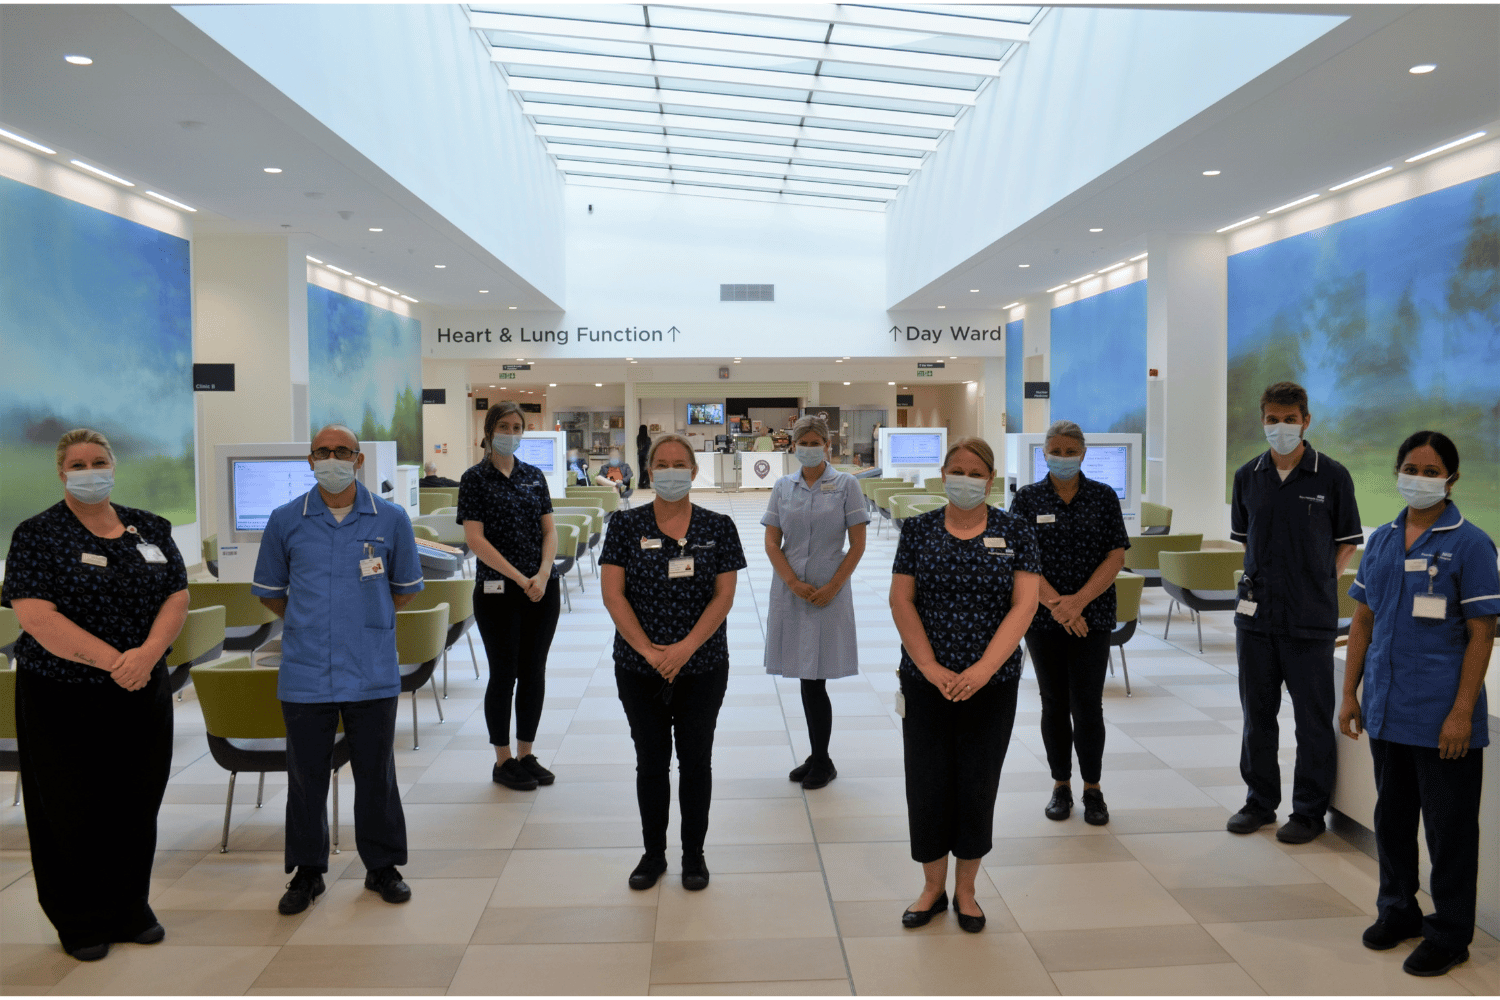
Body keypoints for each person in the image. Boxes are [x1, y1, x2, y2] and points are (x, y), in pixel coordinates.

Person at [2, 429, 188, 961]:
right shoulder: (37, 534)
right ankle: (79, 918)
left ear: (114, 466)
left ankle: (130, 905)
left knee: (137, 797)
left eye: (99, 461)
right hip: (63, 694)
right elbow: (36, 616)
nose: (90, 471)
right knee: (69, 805)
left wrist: (146, 655)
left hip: (141, 687)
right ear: (62, 473)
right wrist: (115, 662)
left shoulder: (148, 527)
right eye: (78, 464)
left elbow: (177, 594)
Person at [1339, 431, 1497, 978]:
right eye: (1411, 467)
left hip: (1441, 716)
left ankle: (1450, 932)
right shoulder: (1382, 540)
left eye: (1432, 471)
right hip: (1386, 707)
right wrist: (1349, 692)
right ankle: (1398, 910)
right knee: (1392, 819)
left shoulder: (1472, 544)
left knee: (1449, 830)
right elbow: (1363, 619)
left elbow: (1482, 633)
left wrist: (1461, 712)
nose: (1420, 478)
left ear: (1451, 479)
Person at [252, 424, 424, 915]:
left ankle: (382, 866)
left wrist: (363, 619)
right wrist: (312, 622)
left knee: (376, 772)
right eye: (323, 452)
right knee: (306, 776)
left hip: (370, 667)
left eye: (342, 452)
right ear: (310, 460)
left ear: (359, 460)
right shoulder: (287, 520)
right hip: (306, 670)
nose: (332, 459)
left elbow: (406, 587)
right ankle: (308, 872)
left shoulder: (390, 519)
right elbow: (270, 592)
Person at [890, 437, 1040, 932]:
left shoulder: (1016, 530)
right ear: (943, 474)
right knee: (927, 782)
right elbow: (902, 600)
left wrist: (982, 670)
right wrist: (931, 667)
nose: (965, 479)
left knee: (977, 783)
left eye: (975, 473)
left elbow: (1025, 604)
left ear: (990, 480)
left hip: (991, 683)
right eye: (956, 470)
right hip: (925, 680)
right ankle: (932, 888)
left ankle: (967, 891)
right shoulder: (917, 530)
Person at [600, 434, 746, 892]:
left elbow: (724, 596)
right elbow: (613, 594)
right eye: (660, 464)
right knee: (651, 762)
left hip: (702, 666)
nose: (670, 471)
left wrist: (685, 648)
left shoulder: (718, 526)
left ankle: (693, 855)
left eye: (679, 463)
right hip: (639, 667)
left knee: (696, 761)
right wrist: (647, 650)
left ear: (694, 471)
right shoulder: (625, 526)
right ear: (648, 471)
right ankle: (653, 853)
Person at [1227, 381, 1362, 843]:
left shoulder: (1332, 476)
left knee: (1312, 719)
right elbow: (1245, 539)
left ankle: (1308, 811)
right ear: (1262, 421)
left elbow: (1347, 540)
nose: (1280, 427)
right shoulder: (1248, 475)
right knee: (1257, 717)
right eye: (1272, 419)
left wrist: (1323, 576)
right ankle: (1260, 802)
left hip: (1311, 619)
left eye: (1289, 419)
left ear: (1306, 420)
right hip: (1256, 620)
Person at [1010, 421, 1129, 825]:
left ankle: (1093, 789)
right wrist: (1059, 606)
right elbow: (1020, 558)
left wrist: (1077, 603)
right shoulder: (1027, 499)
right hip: (1043, 619)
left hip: (1091, 617)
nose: (1062, 457)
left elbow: (1115, 556)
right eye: (1055, 450)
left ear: (1083, 453)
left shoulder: (1102, 496)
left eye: (1070, 450)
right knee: (1054, 704)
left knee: (1088, 705)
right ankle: (1060, 785)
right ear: (1043, 452)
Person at [458, 401, 561, 790]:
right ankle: (502, 760)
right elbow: (475, 539)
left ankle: (525, 753)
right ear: (489, 430)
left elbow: (549, 530)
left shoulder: (533, 476)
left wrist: (544, 572)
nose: (512, 433)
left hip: (541, 590)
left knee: (534, 672)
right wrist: (521, 577)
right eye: (504, 425)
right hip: (498, 591)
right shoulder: (474, 479)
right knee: (504, 674)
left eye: (518, 427)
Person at [762, 416, 869, 789]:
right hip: (791, 591)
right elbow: (772, 542)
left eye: (814, 441)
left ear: (826, 445)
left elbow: (857, 544)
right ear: (792, 446)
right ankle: (817, 755)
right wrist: (791, 580)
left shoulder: (846, 485)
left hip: (829, 591)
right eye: (801, 442)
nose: (807, 447)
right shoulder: (782, 487)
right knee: (805, 673)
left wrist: (835, 585)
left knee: (815, 677)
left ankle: (822, 760)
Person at [636, 424, 652, 489]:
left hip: (640, 456)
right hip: (646, 456)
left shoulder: (638, 438)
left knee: (641, 471)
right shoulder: (648, 439)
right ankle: (646, 484)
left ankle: (641, 484)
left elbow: (638, 447)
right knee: (647, 470)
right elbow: (649, 448)